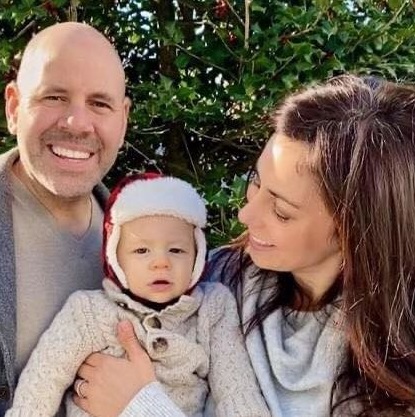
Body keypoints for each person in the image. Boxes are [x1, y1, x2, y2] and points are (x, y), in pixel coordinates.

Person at [72, 74, 415, 417]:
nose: (245, 214)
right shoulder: (216, 279)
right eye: (256, 181)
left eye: (281, 212)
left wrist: (143, 407)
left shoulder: (398, 363)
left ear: (353, 232)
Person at [6, 173, 270, 417]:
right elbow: (45, 377)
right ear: (115, 257)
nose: (161, 263)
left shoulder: (213, 308)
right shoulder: (88, 311)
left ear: (197, 255)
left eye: (176, 250)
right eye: (142, 251)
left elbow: (237, 389)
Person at [0, 21, 130, 414]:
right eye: (54, 97)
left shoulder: (147, 241)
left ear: (123, 119)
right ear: (13, 107)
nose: (76, 123)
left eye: (100, 104)